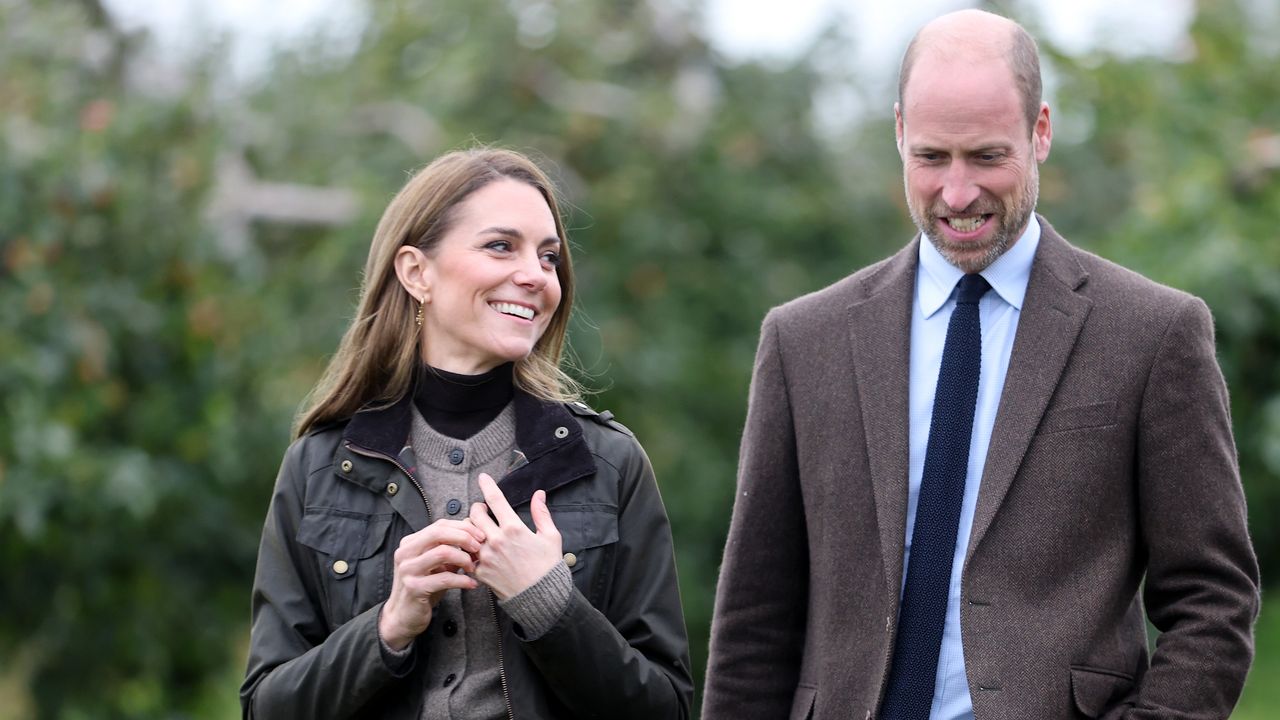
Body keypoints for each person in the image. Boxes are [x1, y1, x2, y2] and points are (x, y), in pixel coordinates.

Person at [701, 9, 1259, 720]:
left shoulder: (1153, 333)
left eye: (988, 157)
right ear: (899, 130)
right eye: (932, 157)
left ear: (1042, 131)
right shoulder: (802, 340)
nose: (957, 194)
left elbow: (1214, 598)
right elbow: (755, 615)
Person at [240, 148, 693, 719]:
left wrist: (550, 604)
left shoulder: (609, 462)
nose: (536, 275)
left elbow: (668, 708)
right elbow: (265, 708)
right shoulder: (320, 465)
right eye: (501, 245)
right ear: (416, 272)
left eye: (549, 256)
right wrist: (388, 627)